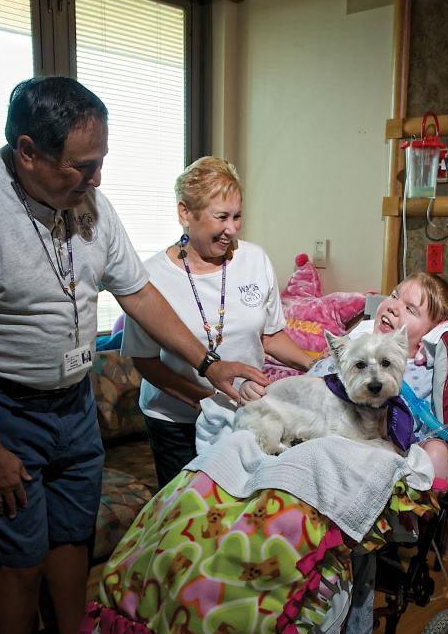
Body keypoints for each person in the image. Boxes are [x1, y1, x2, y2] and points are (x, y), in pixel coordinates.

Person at [0, 77, 266, 634]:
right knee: (17, 560)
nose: (97, 177)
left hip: (72, 402)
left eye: (101, 161)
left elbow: (137, 292)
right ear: (27, 152)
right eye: (82, 165)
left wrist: (211, 362)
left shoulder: (90, 204)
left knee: (71, 536)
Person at [309, 271, 448, 634]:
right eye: (395, 295)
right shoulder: (351, 346)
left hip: (352, 468)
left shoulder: (414, 378)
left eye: (411, 308)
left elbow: (433, 441)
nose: (394, 304)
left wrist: (436, 453)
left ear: (428, 334)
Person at [124, 156, 315, 488]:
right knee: (187, 515)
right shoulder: (152, 276)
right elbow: (145, 361)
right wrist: (204, 398)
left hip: (246, 414)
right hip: (176, 421)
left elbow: (269, 336)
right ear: (185, 213)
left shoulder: (254, 260)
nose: (233, 228)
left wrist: (313, 364)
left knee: (238, 509)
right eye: (221, 217)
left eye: (237, 216)